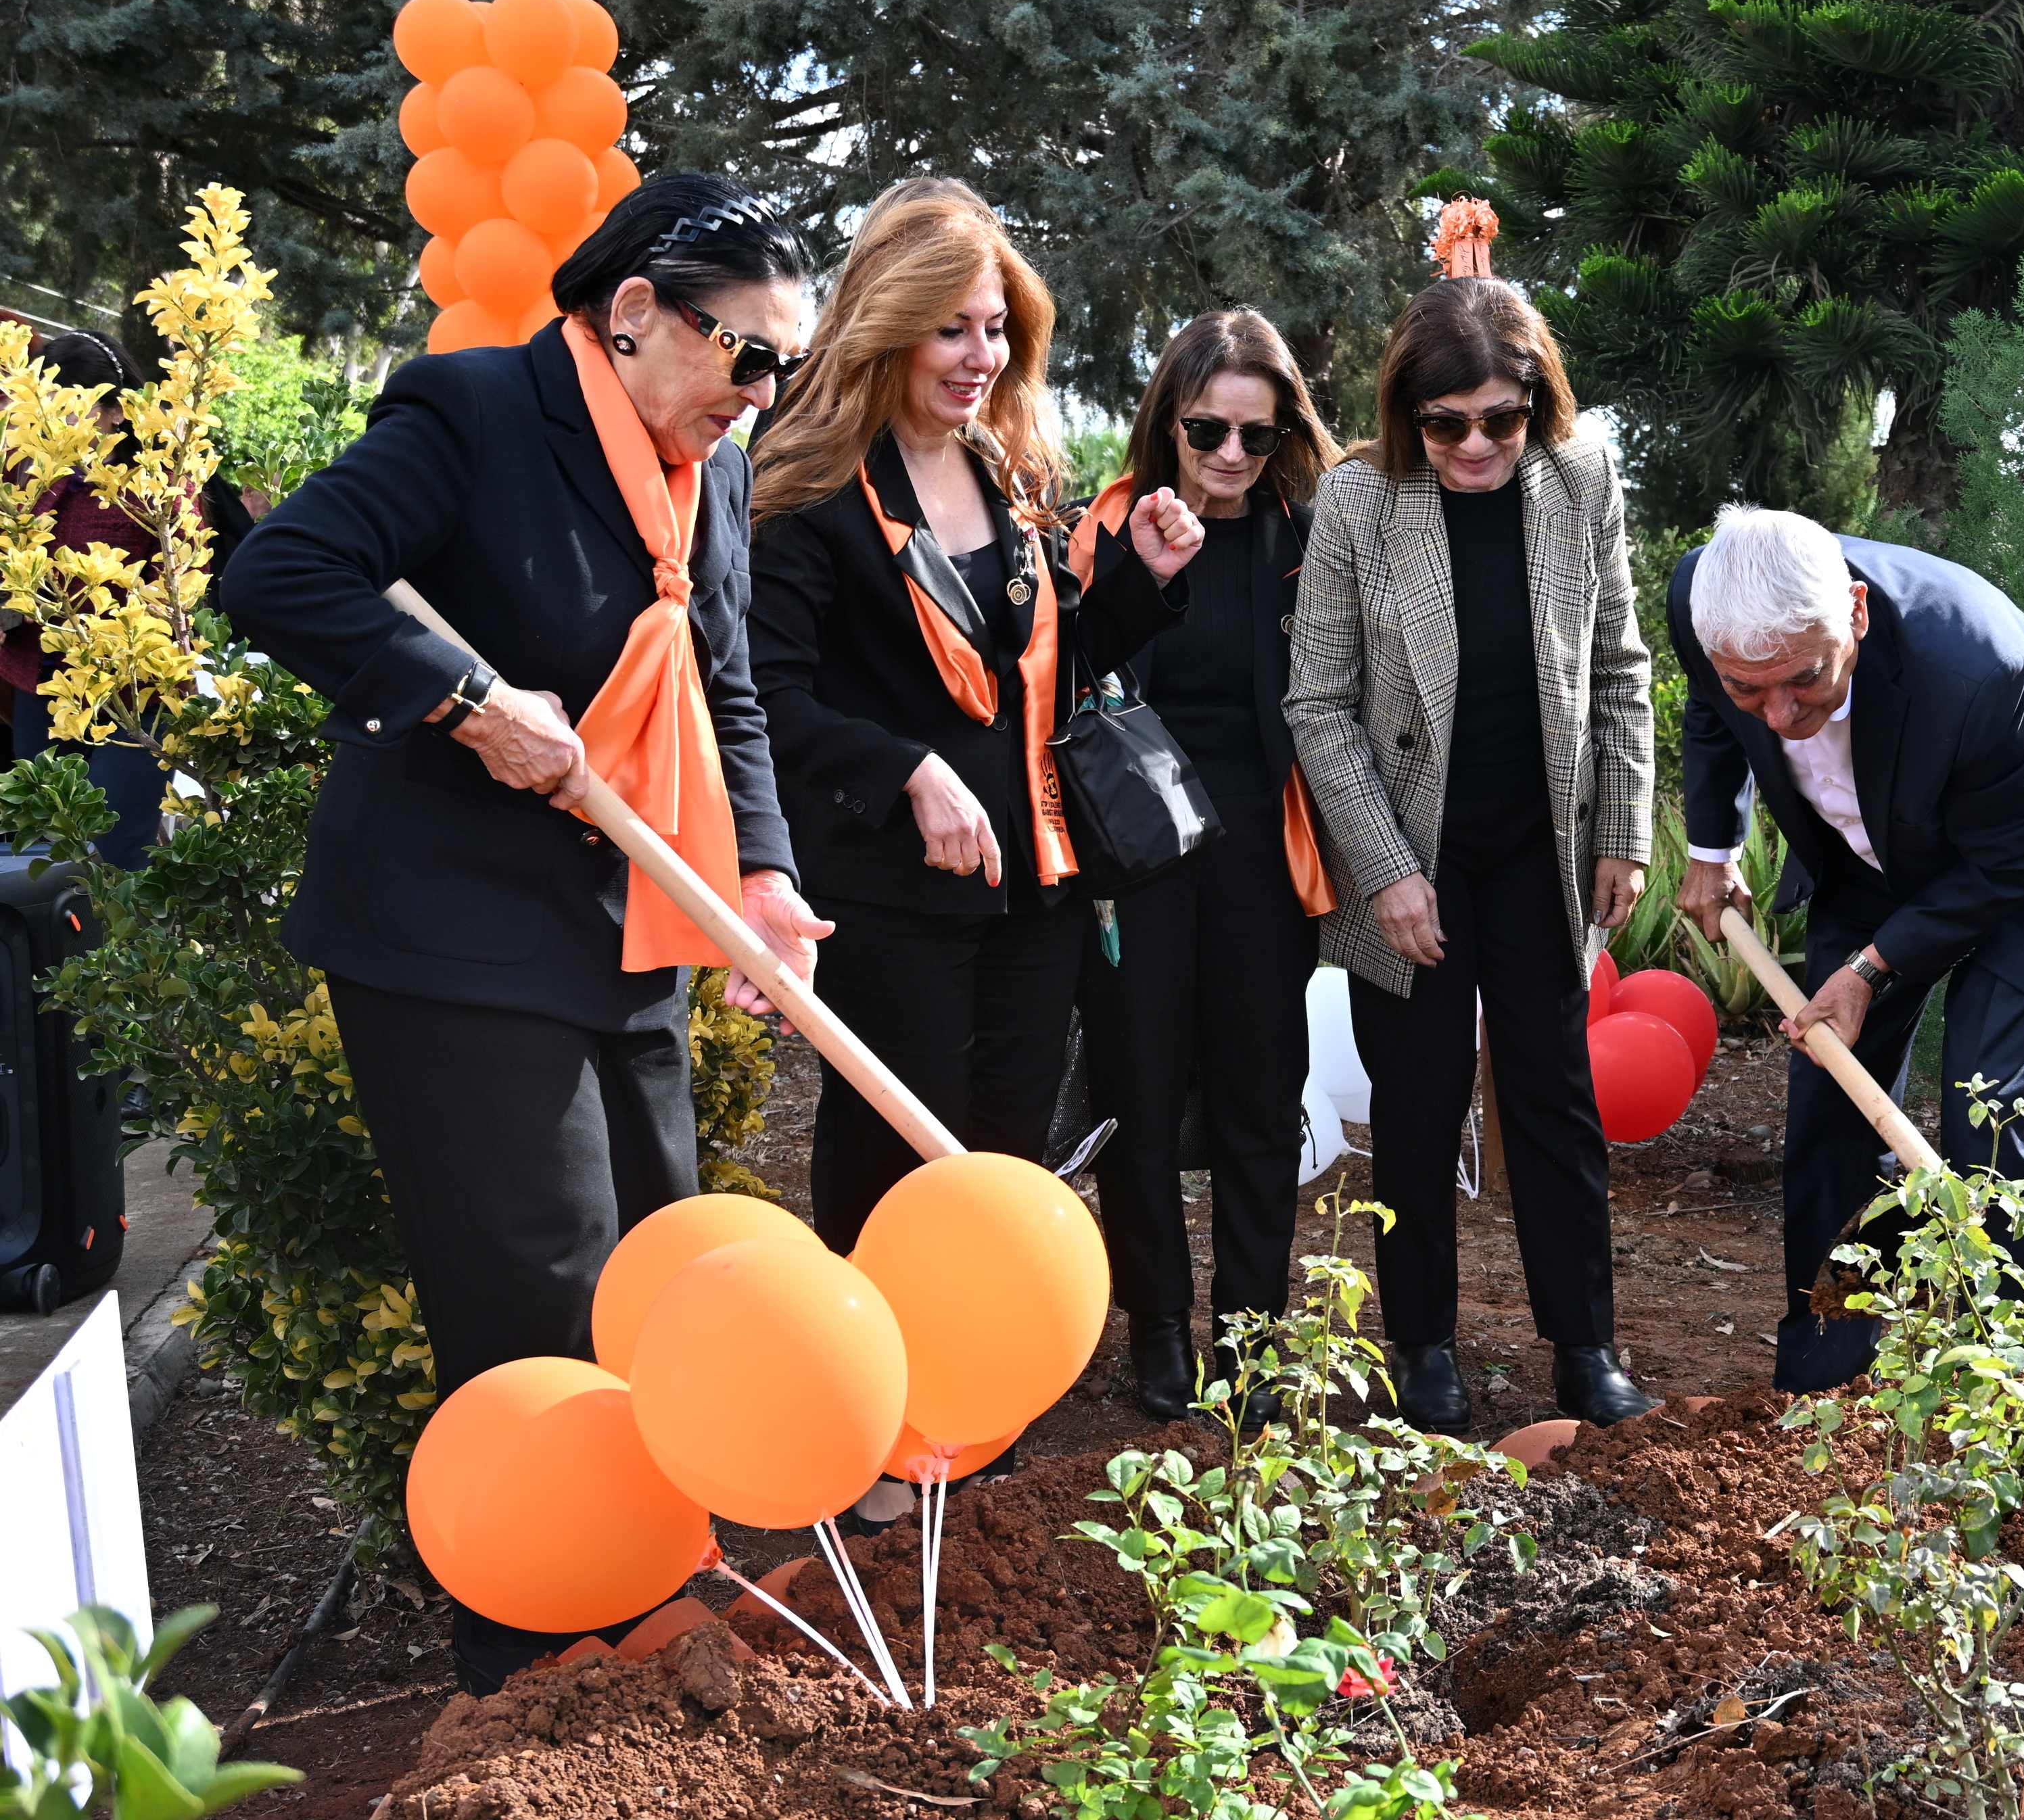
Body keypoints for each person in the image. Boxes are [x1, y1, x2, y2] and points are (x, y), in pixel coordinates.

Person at [220, 173, 832, 1689]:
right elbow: (281, 571)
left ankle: (643, 1597)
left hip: (626, 928)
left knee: (660, 1280)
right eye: (744, 354)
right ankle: (533, 1663)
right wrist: (469, 703)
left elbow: (725, 691)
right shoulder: (476, 412)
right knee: (538, 1306)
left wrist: (760, 875)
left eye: (787, 368)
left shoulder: (720, 474)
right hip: (452, 944)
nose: (760, 395)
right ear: (632, 316)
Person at [747, 181, 1203, 1260]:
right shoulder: (808, 486)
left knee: (1006, 1150)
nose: (980, 354)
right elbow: (766, 697)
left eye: (996, 328)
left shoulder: (1011, 468)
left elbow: (1045, 667)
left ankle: (982, 1412)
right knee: (898, 1145)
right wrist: (905, 770)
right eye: (951, 328)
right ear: (890, 325)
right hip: (887, 893)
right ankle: (881, 1394)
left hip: (1033, 890)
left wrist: (1143, 579)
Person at [1669, 506, 2024, 1394]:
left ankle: (2003, 1371)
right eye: (1751, 688)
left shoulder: (1980, 666)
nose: (1782, 717)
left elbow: (2012, 861)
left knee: (1984, 1100)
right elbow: (1716, 716)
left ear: (1856, 616)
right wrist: (1712, 852)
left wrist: (1873, 966)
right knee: (1835, 1097)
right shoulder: (1703, 603)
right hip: (1873, 843)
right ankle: (1835, 1355)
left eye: (1804, 681)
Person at [1284, 277, 1658, 1432]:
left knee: (1556, 1096)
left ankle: (1583, 1345)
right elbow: (1319, 703)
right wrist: (1386, 868)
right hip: (1411, 854)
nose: (1477, 444)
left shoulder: (1581, 477)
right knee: (1418, 1100)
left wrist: (1623, 833)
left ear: (1536, 401)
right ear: (1411, 413)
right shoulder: (1357, 502)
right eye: (1448, 423)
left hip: (1543, 850)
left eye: (1503, 416)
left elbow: (1620, 665)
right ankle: (1425, 1349)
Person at [1071, 309, 1342, 1422]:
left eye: (1256, 435)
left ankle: (1248, 1330)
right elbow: (1070, 669)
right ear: (1166, 425)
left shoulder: (1305, 540)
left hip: (1263, 846)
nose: (1231, 454)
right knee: (1134, 1085)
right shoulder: (1110, 526)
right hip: (1135, 850)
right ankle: (1159, 1328)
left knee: (1257, 1093)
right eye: (1207, 429)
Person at [7, 330, 252, 868]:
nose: (60, 423)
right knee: (42, 837)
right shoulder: (23, 463)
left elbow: (182, 579)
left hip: (137, 688)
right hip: (43, 681)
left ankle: (121, 944)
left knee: (117, 846)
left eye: (78, 409)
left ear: (118, 412)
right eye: (50, 406)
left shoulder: (159, 475)